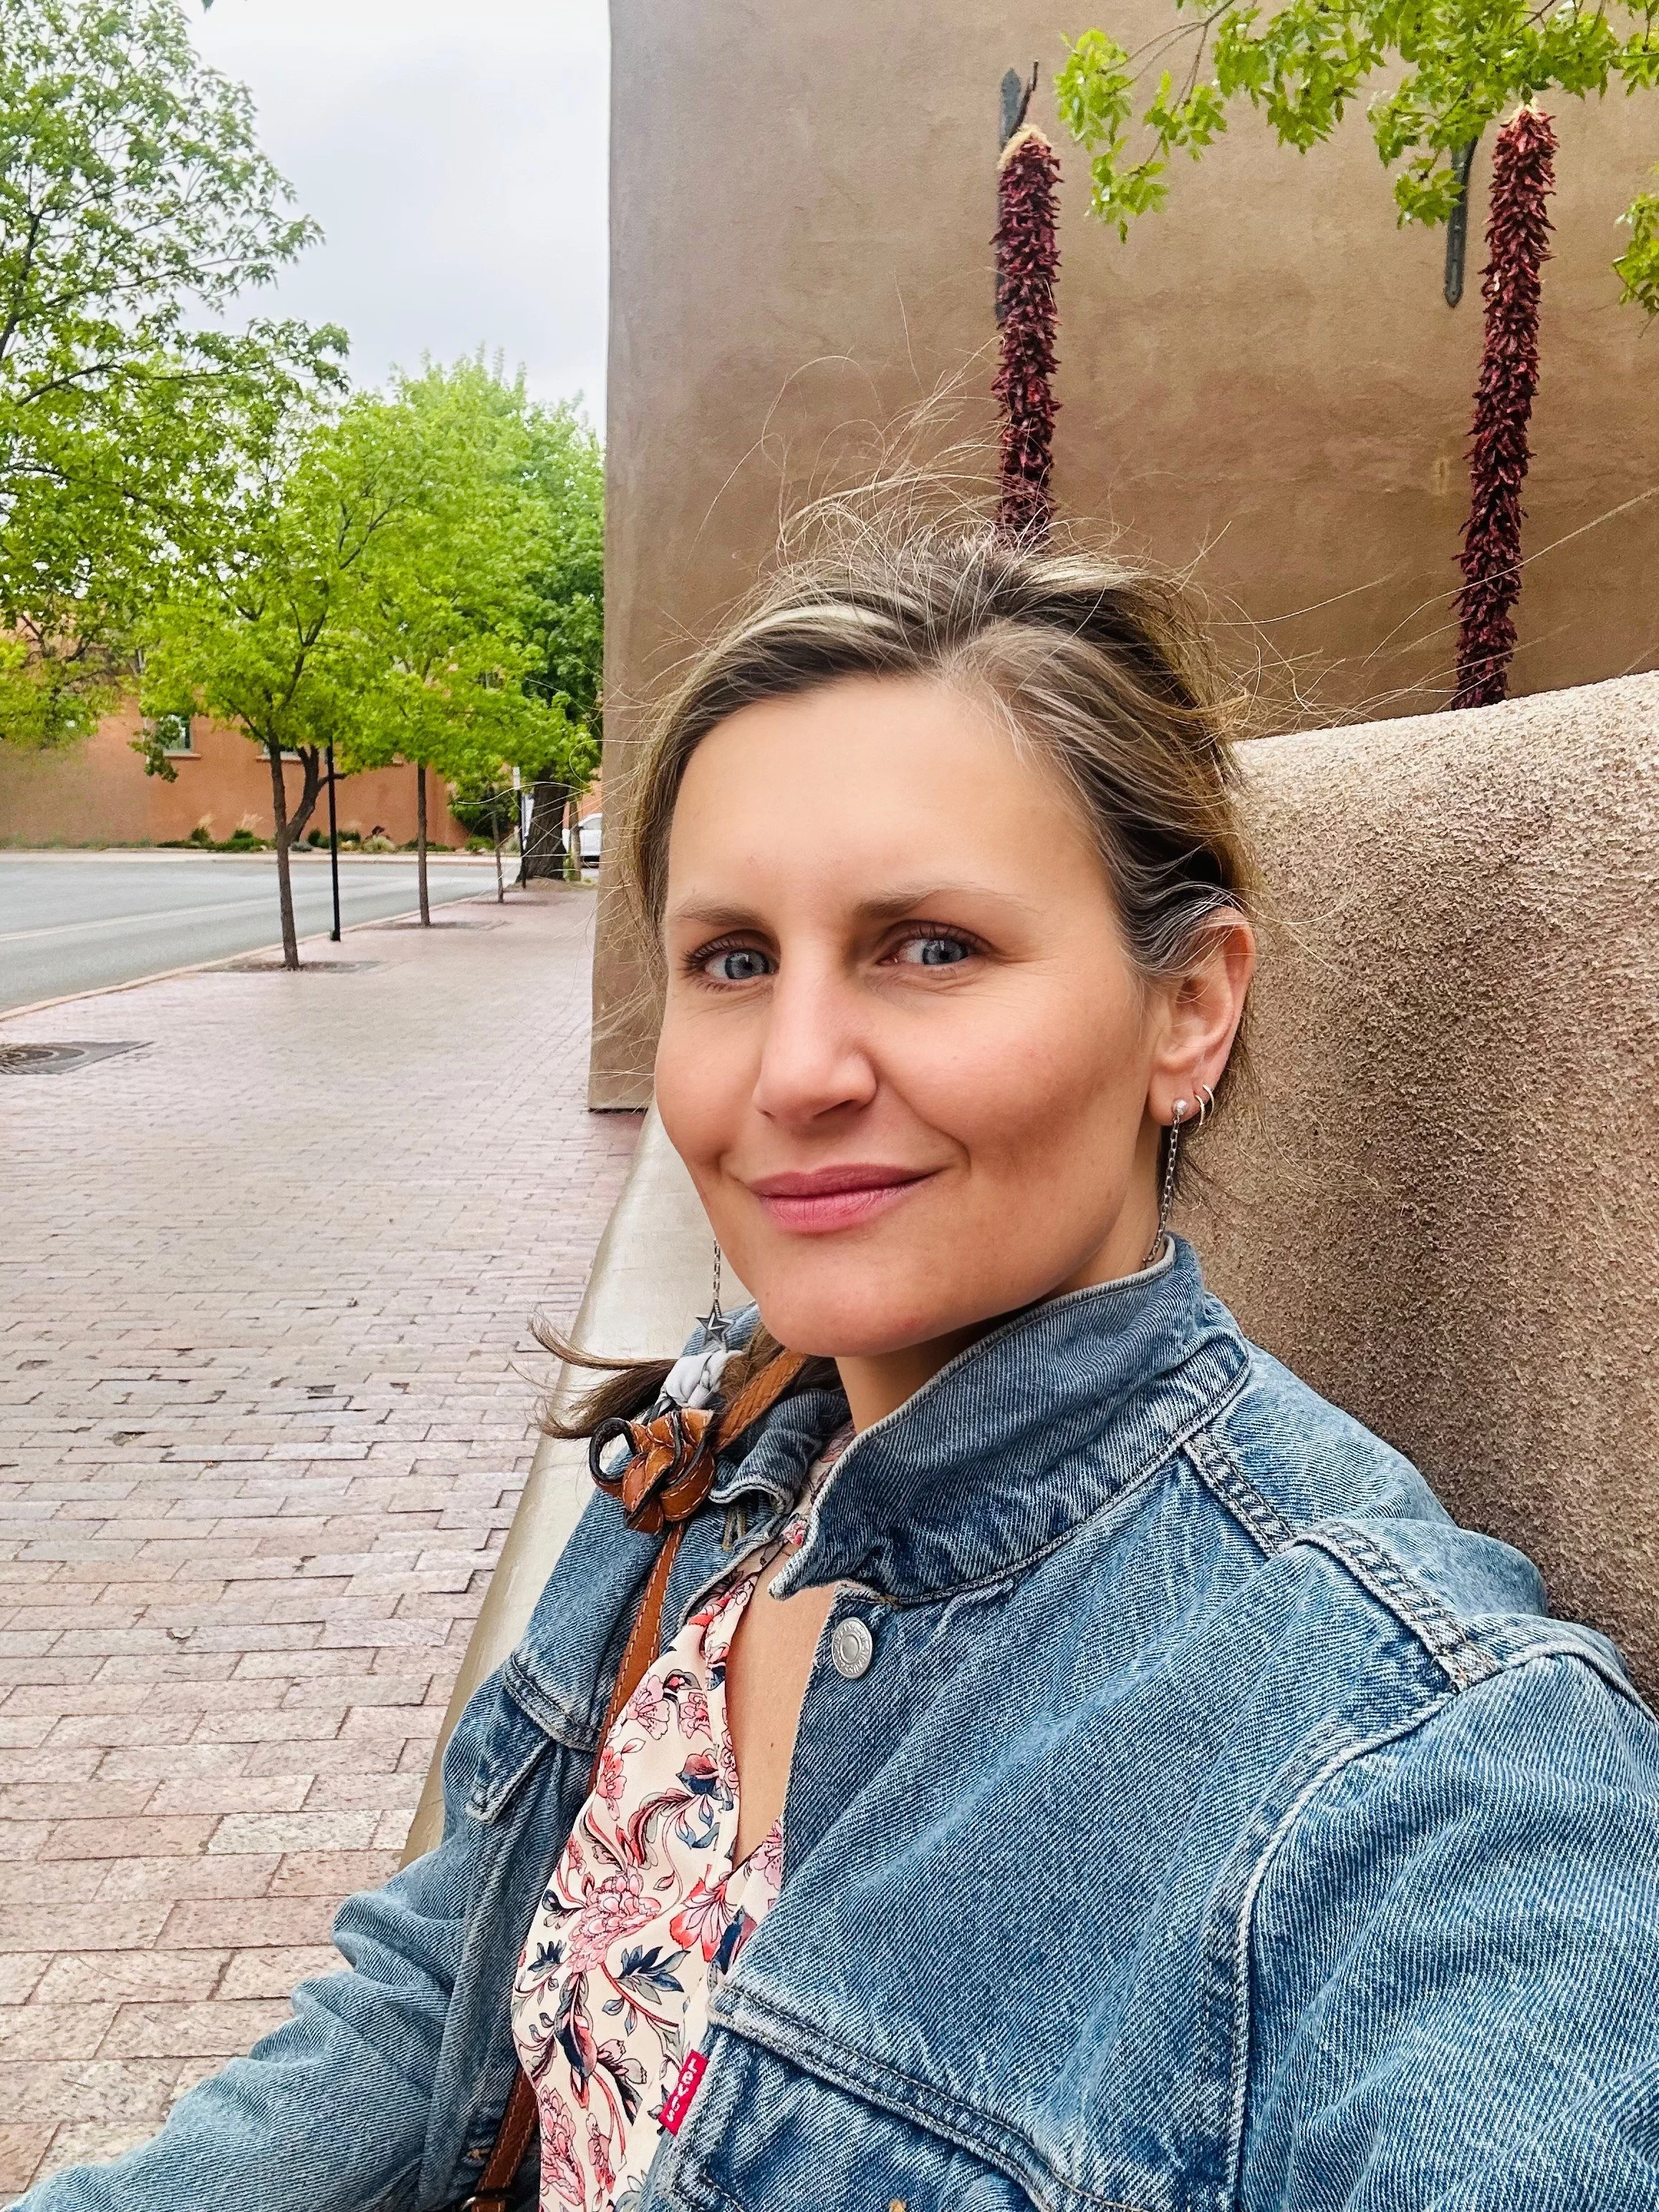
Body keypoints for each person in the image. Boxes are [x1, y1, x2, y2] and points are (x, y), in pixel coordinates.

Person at [20, 524, 1659, 2212]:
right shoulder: (728, 1438)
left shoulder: (1413, 1768)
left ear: (1190, 1009)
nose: (794, 1069)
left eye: (929, 945)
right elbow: (447, 1973)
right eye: (734, 960)